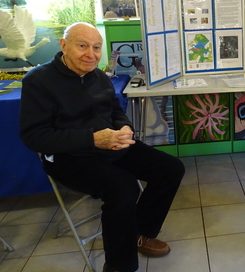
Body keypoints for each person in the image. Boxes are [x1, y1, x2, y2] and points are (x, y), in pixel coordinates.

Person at [20, 22, 185, 272]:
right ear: (64, 45)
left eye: (96, 47)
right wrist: (93, 138)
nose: (91, 54)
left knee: (171, 168)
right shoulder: (39, 81)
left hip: (111, 145)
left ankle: (141, 232)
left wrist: (125, 128)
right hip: (69, 158)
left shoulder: (98, 76)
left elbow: (116, 111)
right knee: (123, 188)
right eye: (82, 46)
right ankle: (120, 265)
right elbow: (35, 137)